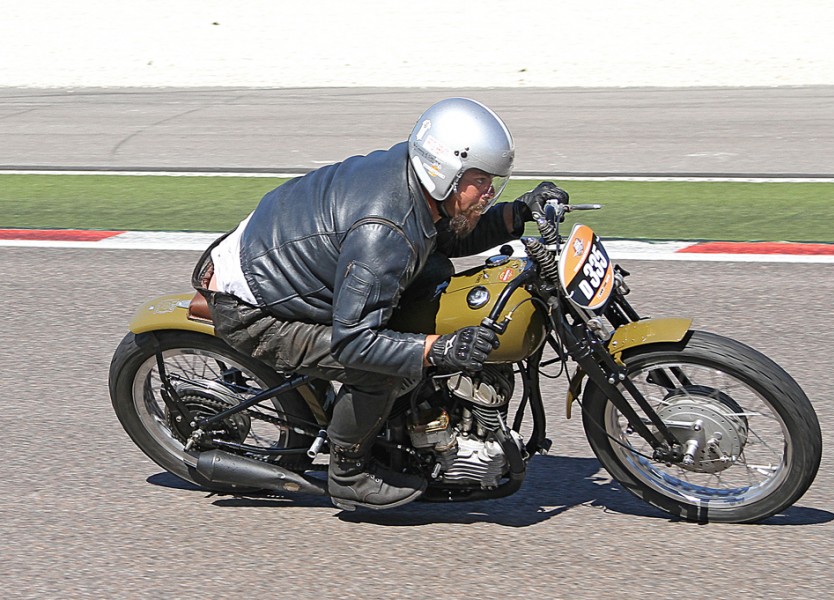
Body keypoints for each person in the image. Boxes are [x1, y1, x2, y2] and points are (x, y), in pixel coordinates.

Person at [192, 97, 568, 510]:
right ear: (445, 170)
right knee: (389, 371)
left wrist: (516, 214)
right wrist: (438, 349)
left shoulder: (416, 183)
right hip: (254, 309)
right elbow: (354, 342)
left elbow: (446, 235)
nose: (490, 191)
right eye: (481, 180)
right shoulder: (386, 232)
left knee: (430, 281)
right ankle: (349, 471)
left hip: (278, 259)